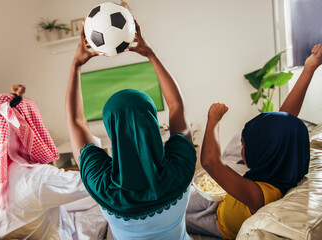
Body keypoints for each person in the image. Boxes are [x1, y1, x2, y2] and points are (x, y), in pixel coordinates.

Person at [65, 20, 196, 240]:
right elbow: (176, 106)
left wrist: (76, 65)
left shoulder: (103, 185)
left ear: (111, 129)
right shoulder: (180, 168)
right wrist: (150, 54)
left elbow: (76, 121)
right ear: (153, 121)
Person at [186, 44, 322, 239]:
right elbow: (286, 118)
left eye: (244, 144)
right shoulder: (282, 170)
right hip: (224, 200)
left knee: (173, 214)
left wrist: (213, 120)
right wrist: (310, 68)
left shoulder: (259, 196)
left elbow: (210, 162)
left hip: (216, 224)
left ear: (261, 155)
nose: (241, 148)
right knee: (180, 198)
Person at [0, 85, 107, 240]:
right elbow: (96, 183)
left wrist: (16, 96)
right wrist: (81, 124)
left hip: (17, 229)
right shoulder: (36, 178)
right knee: (106, 206)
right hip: (61, 235)